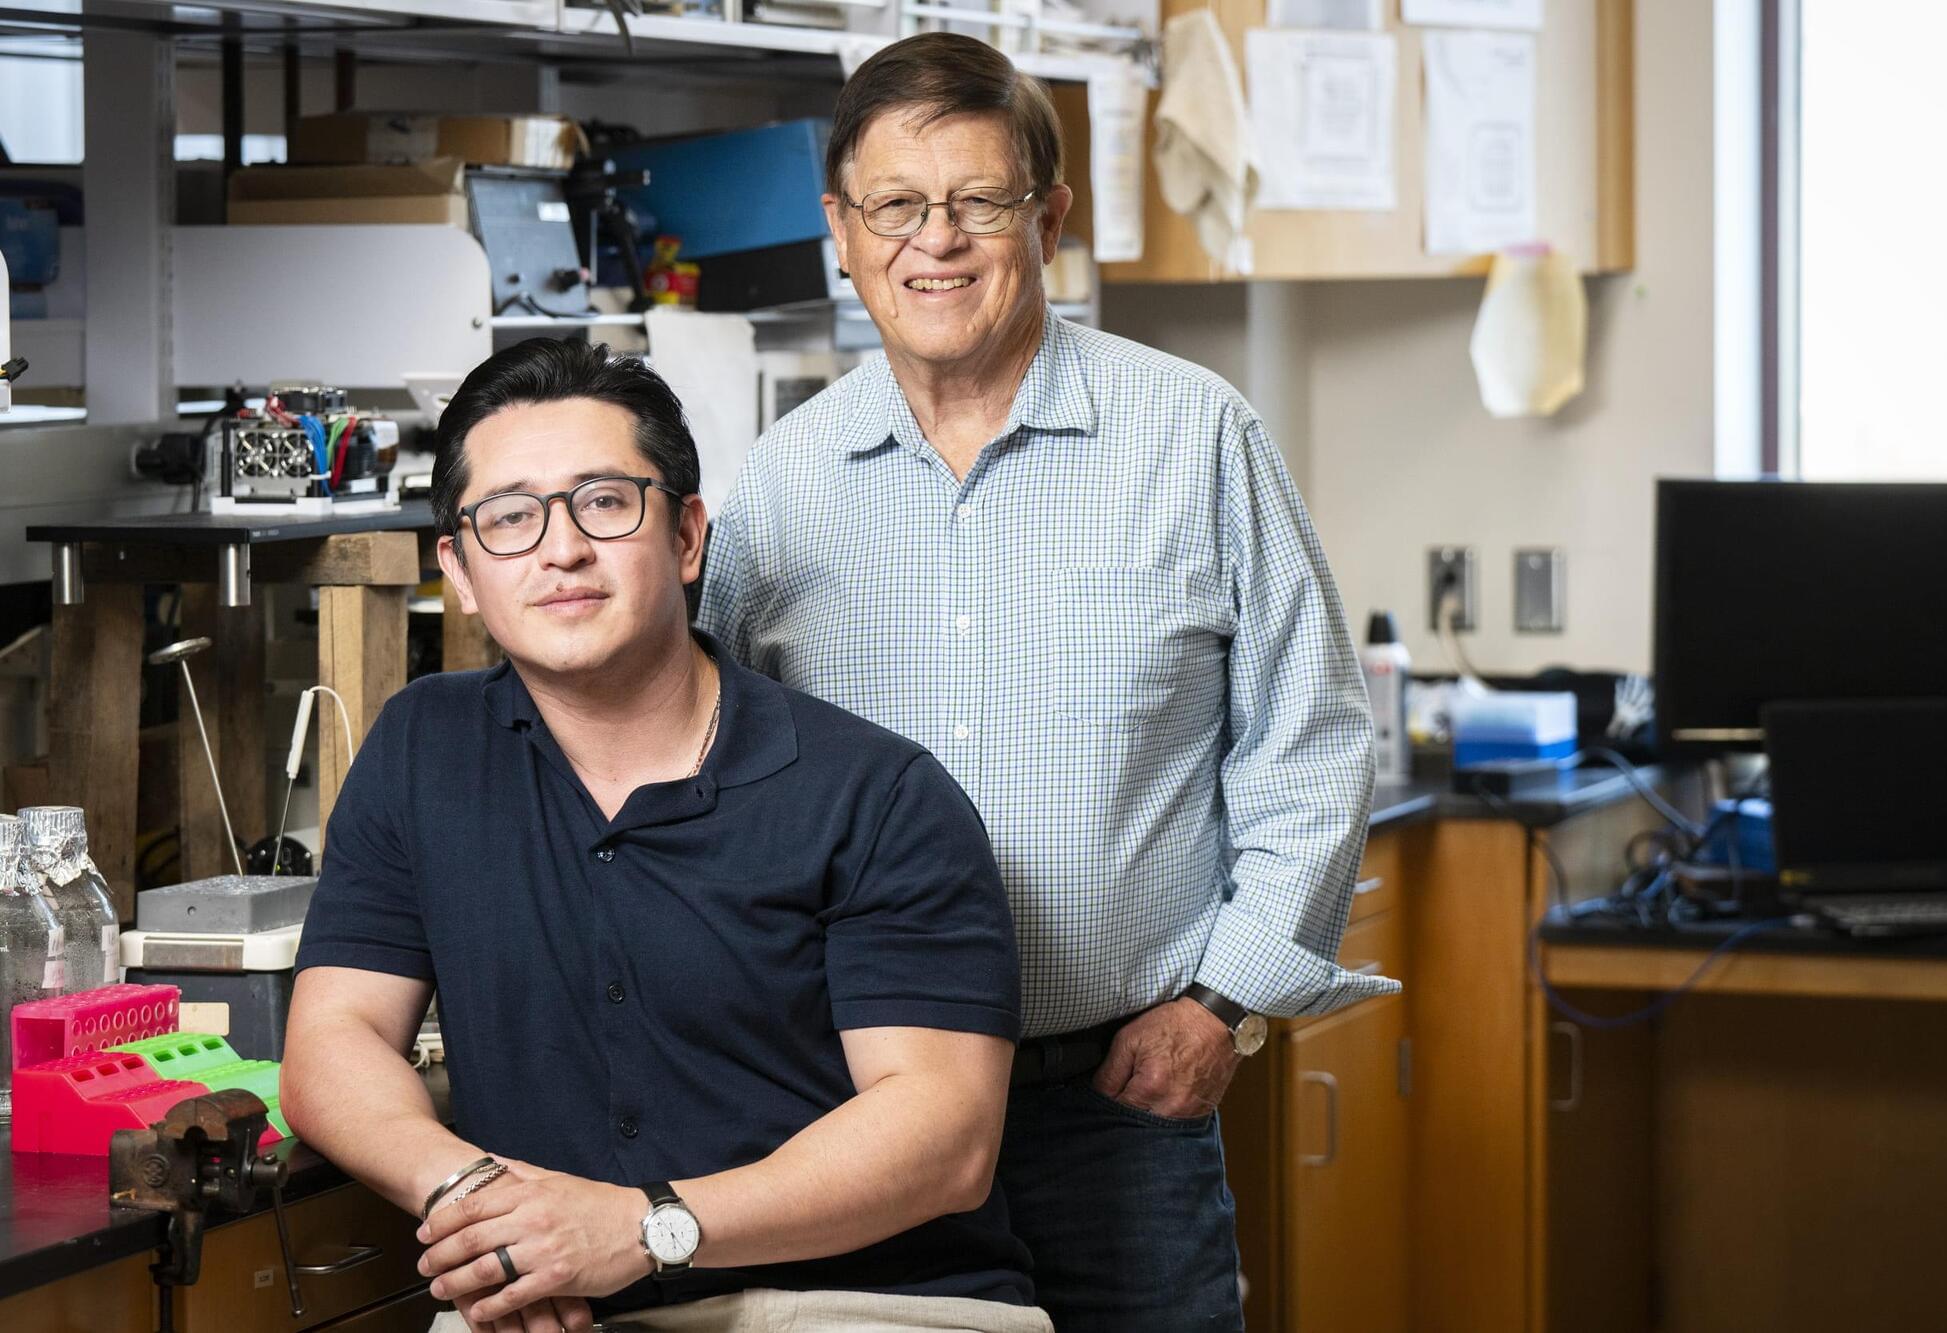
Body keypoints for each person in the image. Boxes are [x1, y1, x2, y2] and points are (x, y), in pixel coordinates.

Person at [697, 33, 1395, 1332]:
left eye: (979, 200)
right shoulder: (783, 486)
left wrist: (1220, 1006)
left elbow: (1311, 750)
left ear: (1051, 219)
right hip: (855, 1111)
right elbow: (709, 776)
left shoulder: (1195, 438)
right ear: (842, 232)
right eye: (897, 206)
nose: (936, 240)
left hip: (1114, 1108)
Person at [283, 338, 1046, 1333]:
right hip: (548, 1292)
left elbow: (944, 1136)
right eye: (508, 517)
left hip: (858, 1300)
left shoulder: (877, 795)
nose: (561, 549)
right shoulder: (422, 748)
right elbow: (333, 1041)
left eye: (604, 502)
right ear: (460, 572)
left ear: (687, 537)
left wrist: (643, 1227)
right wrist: (485, 1210)